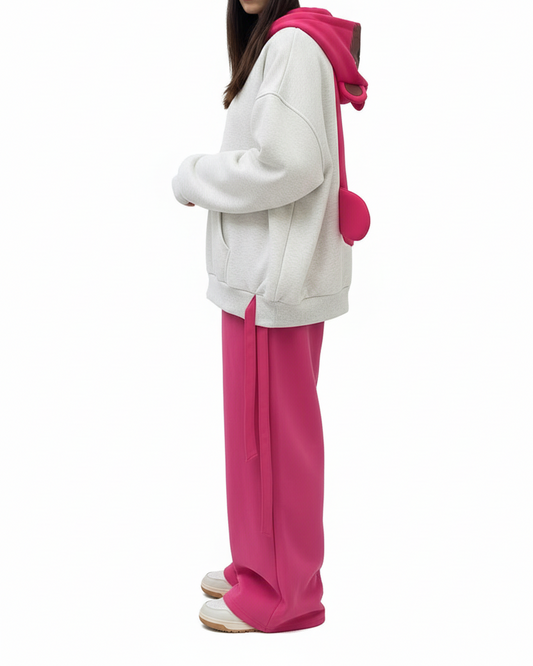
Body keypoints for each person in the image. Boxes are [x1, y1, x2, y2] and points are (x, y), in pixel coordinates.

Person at [171, 0, 368, 633]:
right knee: (258, 442)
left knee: (273, 443)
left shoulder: (290, 46)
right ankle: (260, 566)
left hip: (270, 282)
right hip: (261, 278)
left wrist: (197, 176)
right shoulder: (282, 43)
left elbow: (290, 165)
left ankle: (283, 595)